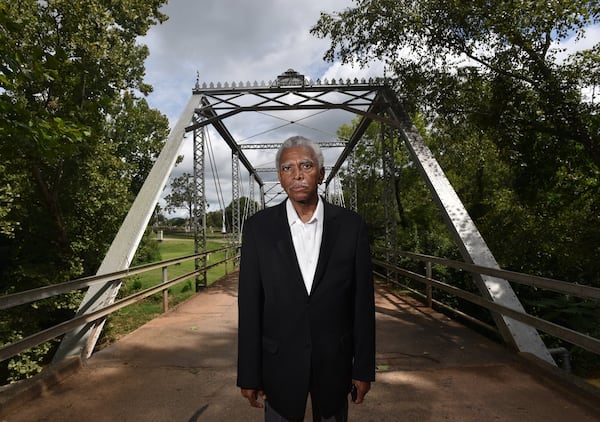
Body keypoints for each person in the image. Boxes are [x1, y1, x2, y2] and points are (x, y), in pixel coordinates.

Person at [237, 135, 376, 421]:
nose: (297, 174)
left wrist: (363, 369)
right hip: (278, 366)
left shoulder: (351, 227)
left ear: (321, 173)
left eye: (306, 165)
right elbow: (250, 305)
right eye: (287, 168)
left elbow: (362, 304)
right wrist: (248, 374)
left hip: (335, 364)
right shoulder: (258, 229)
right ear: (279, 176)